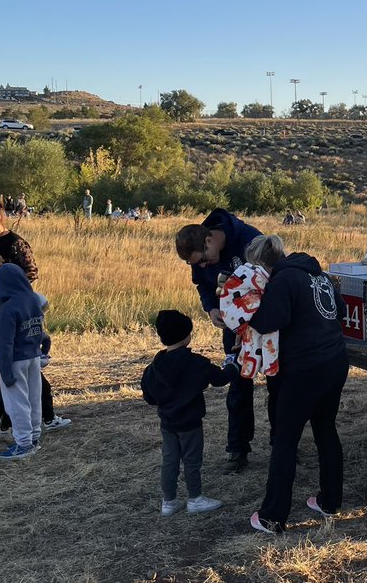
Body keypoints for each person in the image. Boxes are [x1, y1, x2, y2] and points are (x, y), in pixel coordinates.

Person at [246, 235, 349, 534]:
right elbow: (339, 312)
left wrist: (247, 308)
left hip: (304, 369)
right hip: (334, 361)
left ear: (262, 266)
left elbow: (267, 322)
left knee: (285, 441)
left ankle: (272, 516)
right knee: (326, 429)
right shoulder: (320, 275)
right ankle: (330, 501)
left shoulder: (283, 281)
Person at [175, 208, 269, 473]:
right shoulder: (200, 261)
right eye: (198, 265)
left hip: (267, 324)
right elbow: (203, 285)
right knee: (238, 383)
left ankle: (284, 444)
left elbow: (274, 276)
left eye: (204, 260)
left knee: (278, 383)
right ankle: (238, 449)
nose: (204, 267)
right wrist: (211, 307)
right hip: (233, 327)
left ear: (209, 241)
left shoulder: (249, 239)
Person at [0, 198, 71, 432]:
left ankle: (46, 413)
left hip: (9, 310)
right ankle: (4, 406)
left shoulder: (15, 243)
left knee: (22, 360)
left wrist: (1, 284)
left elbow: (31, 272)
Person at [141, 310, 233, 516]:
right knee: (192, 461)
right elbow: (220, 378)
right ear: (187, 336)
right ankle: (195, 498)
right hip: (190, 423)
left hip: (167, 423)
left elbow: (148, 397)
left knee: (169, 460)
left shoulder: (153, 368)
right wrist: (233, 365)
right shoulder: (196, 363)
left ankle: (169, 501)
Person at [0, 264, 47, 459]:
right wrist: (43, 351)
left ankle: (23, 443)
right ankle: (33, 437)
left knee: (17, 403)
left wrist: (5, 371)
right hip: (33, 356)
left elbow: (6, 342)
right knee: (34, 399)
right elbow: (41, 330)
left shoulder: (8, 309)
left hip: (15, 360)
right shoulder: (34, 299)